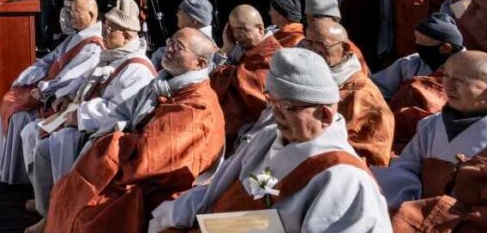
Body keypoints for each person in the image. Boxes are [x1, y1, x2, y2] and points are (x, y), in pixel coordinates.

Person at [149, 48, 391, 233]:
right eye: (271, 101)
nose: (275, 114)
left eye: (286, 106)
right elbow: (233, 193)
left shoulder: (345, 180)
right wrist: (170, 215)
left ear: (325, 114)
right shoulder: (269, 139)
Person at [42, 29, 224, 233]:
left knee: (89, 216)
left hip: (158, 186)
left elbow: (154, 157)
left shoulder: (197, 106)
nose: (169, 49)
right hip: (132, 166)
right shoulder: (163, 84)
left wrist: (117, 140)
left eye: (178, 47)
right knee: (68, 188)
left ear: (199, 64)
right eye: (171, 41)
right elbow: (124, 112)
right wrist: (112, 131)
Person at [26, 0, 155, 221]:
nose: (105, 32)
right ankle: (47, 206)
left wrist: (80, 115)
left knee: (47, 149)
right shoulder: (112, 54)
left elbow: (118, 111)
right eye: (105, 26)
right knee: (35, 134)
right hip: (81, 118)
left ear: (128, 35)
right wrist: (69, 97)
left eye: (112, 29)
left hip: (102, 133)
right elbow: (89, 81)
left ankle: (56, 213)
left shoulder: (138, 69)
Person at [375, 51, 487, 231]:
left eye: (461, 81)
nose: (447, 86)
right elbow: (405, 167)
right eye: (446, 76)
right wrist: (415, 210)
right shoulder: (431, 125)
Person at [0, 0, 103, 184]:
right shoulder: (77, 35)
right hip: (49, 87)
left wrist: (45, 89)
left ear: (92, 14)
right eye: (70, 10)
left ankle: (25, 178)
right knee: (12, 98)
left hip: (61, 99)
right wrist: (32, 75)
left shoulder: (93, 45)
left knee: (20, 115)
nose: (71, 16)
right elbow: (53, 58)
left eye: (76, 12)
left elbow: (73, 76)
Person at [302, 18, 395, 165]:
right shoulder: (308, 77)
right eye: (308, 43)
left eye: (320, 45)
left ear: (344, 49)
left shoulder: (363, 95)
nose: (312, 51)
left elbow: (366, 155)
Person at [372, 13, 462, 155]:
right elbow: (377, 87)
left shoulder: (468, 69)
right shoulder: (409, 63)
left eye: (422, 41)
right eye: (416, 39)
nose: (417, 45)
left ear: (445, 48)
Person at [211, 5, 283, 149]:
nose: (237, 35)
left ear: (260, 29)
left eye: (242, 29)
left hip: (258, 136)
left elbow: (259, 102)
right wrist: (225, 49)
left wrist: (230, 74)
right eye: (233, 29)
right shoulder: (241, 50)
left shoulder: (271, 56)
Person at [304, 0, 370, 76]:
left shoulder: (348, 49)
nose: (310, 22)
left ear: (335, 20)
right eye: (308, 18)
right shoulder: (304, 42)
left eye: (316, 18)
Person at [151, 0, 213, 68]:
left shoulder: (202, 45)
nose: (177, 15)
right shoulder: (195, 37)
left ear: (193, 21)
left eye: (180, 12)